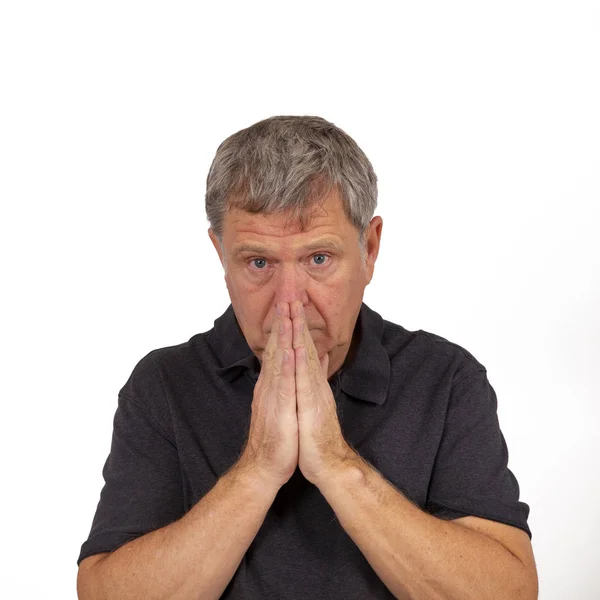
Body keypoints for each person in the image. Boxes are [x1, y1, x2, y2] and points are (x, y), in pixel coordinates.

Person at [76, 115, 538, 599]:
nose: (288, 301)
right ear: (220, 254)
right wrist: (258, 468)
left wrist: (336, 465)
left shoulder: (444, 378)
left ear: (370, 249)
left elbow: (509, 594)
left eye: (318, 259)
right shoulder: (164, 385)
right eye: (259, 262)